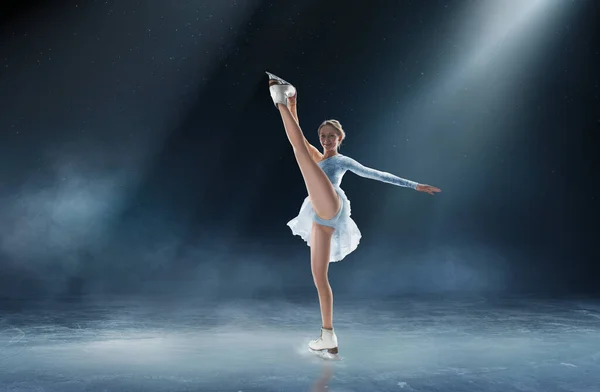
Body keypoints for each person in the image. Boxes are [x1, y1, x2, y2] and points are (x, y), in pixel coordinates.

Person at [266, 72, 441, 355]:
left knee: (299, 152)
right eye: (322, 136)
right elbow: (296, 135)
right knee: (319, 278)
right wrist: (295, 103)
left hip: (332, 205)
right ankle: (328, 336)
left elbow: (376, 174)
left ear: (340, 138)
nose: (326, 140)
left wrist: (414, 185)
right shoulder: (317, 155)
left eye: (331, 137)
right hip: (320, 219)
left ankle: (278, 100)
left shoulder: (341, 160)